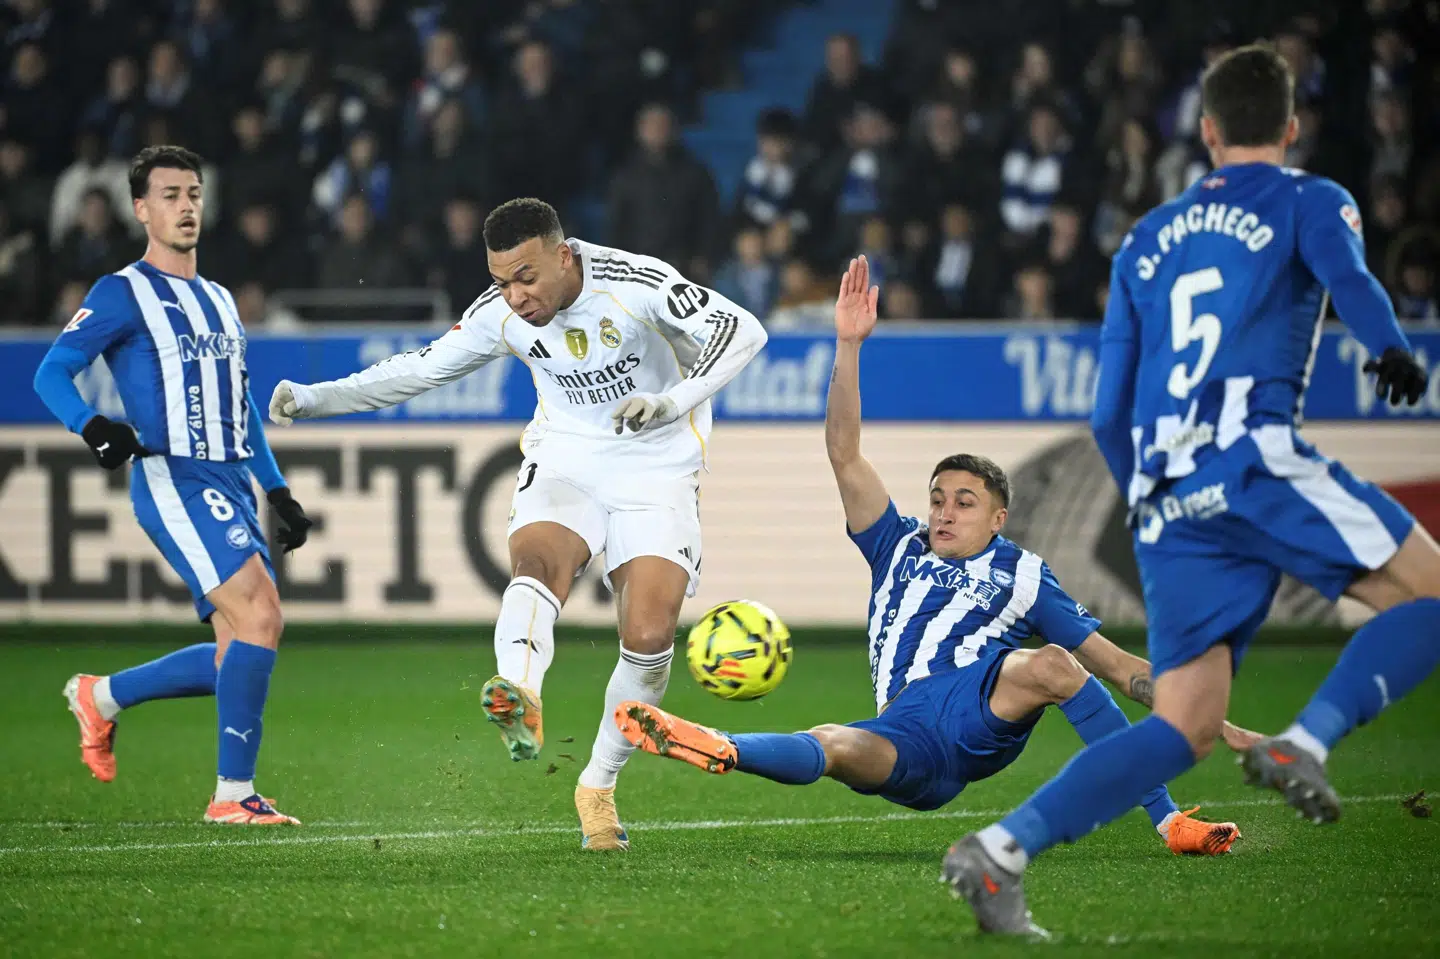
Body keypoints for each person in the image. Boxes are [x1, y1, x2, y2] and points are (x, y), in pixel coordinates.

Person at [942, 45, 1437, 937]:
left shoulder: (1142, 240)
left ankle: (1001, 850)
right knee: (1433, 594)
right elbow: (1348, 275)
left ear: (1205, 132)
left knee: (1184, 726)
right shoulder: (1309, 197)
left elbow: (1105, 416)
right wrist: (1391, 344)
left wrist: (1152, 500)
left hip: (1170, 499)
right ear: (1291, 127)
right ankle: (1309, 739)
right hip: (1252, 457)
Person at [615, 255, 1252, 859]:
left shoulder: (1023, 575)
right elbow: (844, 453)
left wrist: (1205, 716)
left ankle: (1169, 821)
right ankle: (721, 746)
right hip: (910, 739)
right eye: (939, 498)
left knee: (1056, 664)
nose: (944, 511)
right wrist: (848, 346)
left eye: (964, 503)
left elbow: (1113, 666)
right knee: (834, 743)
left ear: (999, 517)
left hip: (975, 711)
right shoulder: (897, 544)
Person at [267, 197, 767, 850]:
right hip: (566, 455)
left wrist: (671, 401)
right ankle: (520, 693)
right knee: (536, 564)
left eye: (526, 277)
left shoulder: (633, 283)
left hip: (657, 464)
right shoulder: (498, 314)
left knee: (648, 639)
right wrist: (314, 400)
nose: (516, 296)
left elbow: (743, 331)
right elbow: (415, 371)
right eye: (502, 280)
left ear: (563, 255)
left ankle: (596, 783)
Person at [31, 146, 312, 826]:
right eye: (170, 195)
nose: (186, 205)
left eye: (193, 192)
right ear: (141, 209)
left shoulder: (219, 298)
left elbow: (239, 406)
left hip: (229, 479)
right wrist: (93, 426)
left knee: (237, 649)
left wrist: (275, 490)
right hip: (171, 476)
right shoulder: (120, 292)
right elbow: (50, 372)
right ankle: (231, 794)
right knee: (262, 613)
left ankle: (102, 696)